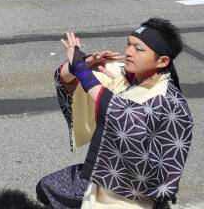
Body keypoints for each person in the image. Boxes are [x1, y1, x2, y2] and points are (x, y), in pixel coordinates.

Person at [36, 19, 192, 208]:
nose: (129, 52)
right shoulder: (126, 75)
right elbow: (68, 81)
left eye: (139, 49)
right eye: (129, 44)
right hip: (104, 177)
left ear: (162, 61)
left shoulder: (166, 99)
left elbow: (119, 114)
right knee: (47, 187)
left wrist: (82, 70)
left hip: (135, 193)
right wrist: (83, 63)